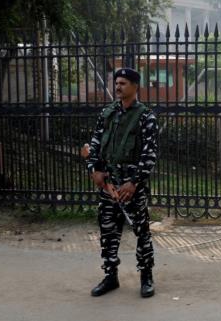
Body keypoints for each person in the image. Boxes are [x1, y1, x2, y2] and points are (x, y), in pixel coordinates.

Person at [86, 68, 159, 298]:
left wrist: (134, 182)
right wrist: (94, 170)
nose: (118, 87)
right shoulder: (107, 113)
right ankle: (110, 276)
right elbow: (94, 145)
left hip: (131, 187)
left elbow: (150, 154)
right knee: (108, 231)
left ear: (136, 86)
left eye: (123, 83)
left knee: (141, 231)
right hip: (109, 185)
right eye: (116, 83)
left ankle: (146, 276)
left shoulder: (146, 117)